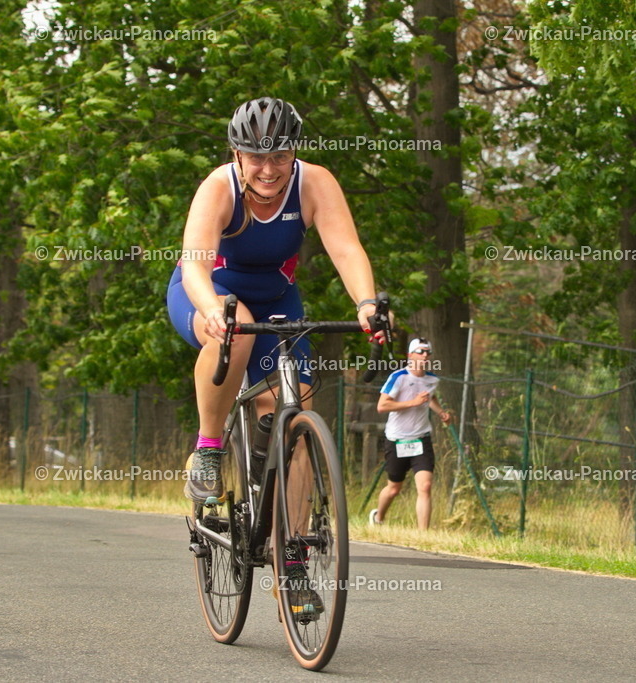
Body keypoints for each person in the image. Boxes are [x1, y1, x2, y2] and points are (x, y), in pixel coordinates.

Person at [168, 97, 383, 613]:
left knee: (296, 418)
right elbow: (195, 263)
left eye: (279, 156)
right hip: (208, 291)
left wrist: (368, 304)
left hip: (278, 299)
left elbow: (346, 248)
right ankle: (210, 446)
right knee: (236, 330)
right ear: (236, 154)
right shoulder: (218, 188)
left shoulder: (314, 183)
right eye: (254, 156)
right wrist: (213, 309)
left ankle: (291, 563)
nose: (268, 169)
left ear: (294, 153)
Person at [370, 337, 451, 531]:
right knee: (394, 488)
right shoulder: (398, 377)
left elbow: (430, 397)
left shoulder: (432, 379)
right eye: (420, 351)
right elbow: (382, 406)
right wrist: (412, 403)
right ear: (410, 355)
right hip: (397, 440)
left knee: (425, 486)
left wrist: (441, 412)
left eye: (427, 352)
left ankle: (423, 535)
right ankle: (378, 517)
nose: (424, 355)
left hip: (421, 439)